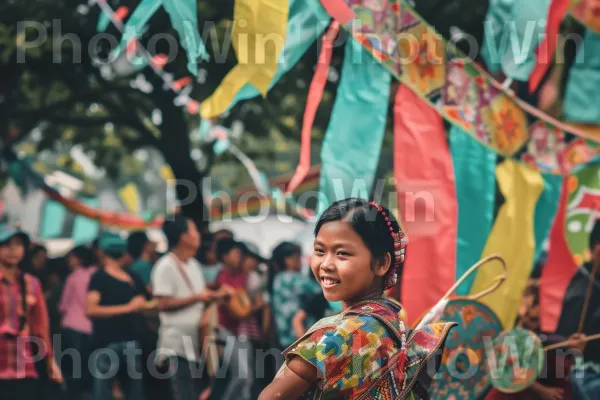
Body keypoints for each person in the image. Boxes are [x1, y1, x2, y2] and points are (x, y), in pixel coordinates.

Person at [260, 198, 456, 400]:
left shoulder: (335, 336)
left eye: (342, 253)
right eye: (319, 250)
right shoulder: (393, 322)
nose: (326, 264)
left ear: (381, 263)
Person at [151, 216, 232, 400]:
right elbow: (162, 304)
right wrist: (198, 297)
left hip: (195, 344)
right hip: (176, 347)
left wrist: (216, 295)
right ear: (184, 237)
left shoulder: (193, 265)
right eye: (194, 230)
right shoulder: (165, 266)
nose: (198, 235)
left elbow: (200, 295)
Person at [87, 233, 154, 400]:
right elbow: (91, 310)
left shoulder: (127, 277)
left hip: (127, 342)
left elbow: (147, 303)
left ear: (101, 252)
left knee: (126, 392)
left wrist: (142, 305)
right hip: (109, 343)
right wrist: (129, 308)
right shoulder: (102, 277)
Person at [0, 226, 62, 399]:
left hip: (24, 366)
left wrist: (51, 362)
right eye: (6, 244)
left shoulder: (31, 284)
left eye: (18, 245)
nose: (13, 250)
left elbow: (40, 326)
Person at [556, 220, 600, 400]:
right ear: (597, 250)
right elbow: (566, 343)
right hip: (585, 375)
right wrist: (575, 345)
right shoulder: (582, 289)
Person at [212, 238, 254, 400]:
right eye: (235, 253)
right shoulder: (222, 276)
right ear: (225, 256)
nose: (239, 256)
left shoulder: (243, 275)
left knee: (246, 378)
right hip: (225, 331)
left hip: (241, 332)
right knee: (243, 376)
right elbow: (238, 309)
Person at [58, 245, 96, 400]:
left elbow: (63, 305)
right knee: (88, 367)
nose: (69, 262)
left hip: (72, 325)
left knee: (72, 368)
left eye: (71, 258)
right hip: (92, 328)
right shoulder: (97, 274)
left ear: (79, 258)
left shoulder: (73, 277)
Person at [270, 241, 321, 349]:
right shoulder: (292, 278)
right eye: (297, 257)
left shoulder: (278, 278)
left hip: (285, 335)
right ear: (287, 260)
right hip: (298, 333)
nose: (300, 261)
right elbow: (319, 291)